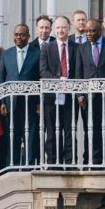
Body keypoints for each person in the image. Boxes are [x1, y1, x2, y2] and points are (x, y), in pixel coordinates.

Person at [40, 16, 80, 165]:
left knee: (70, 130)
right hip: (52, 96)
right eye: (57, 27)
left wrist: (71, 85)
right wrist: (59, 81)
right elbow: (43, 71)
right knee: (52, 131)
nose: (60, 30)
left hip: (70, 95)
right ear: (54, 30)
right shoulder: (46, 48)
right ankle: (52, 163)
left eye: (63, 27)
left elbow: (78, 70)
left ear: (69, 28)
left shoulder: (76, 47)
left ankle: (70, 163)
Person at [0, 25, 41, 166]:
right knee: (12, 137)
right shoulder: (6, 54)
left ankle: (29, 166)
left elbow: (40, 78)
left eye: (22, 35)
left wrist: (39, 102)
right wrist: (2, 102)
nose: (19, 37)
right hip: (11, 103)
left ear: (28, 36)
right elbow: (2, 79)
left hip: (31, 103)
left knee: (31, 136)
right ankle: (12, 167)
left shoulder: (37, 53)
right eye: (16, 34)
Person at [79, 18, 105, 165]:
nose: (89, 34)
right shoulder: (81, 48)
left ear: (100, 31)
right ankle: (94, 160)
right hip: (89, 96)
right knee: (91, 128)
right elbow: (79, 72)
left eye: (92, 31)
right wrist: (80, 94)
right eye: (87, 31)